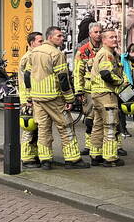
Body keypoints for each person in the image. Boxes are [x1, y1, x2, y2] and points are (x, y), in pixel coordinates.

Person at [20, 27, 90, 171]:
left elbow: (27, 76)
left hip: (37, 98)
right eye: (59, 36)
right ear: (50, 37)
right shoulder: (56, 54)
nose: (62, 38)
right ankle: (72, 159)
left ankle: (45, 161)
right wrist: (70, 99)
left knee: (43, 130)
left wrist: (29, 96)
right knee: (66, 127)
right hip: (54, 97)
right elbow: (63, 78)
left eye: (62, 36)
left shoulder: (34, 53)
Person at [89, 29, 125, 167]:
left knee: (98, 125)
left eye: (116, 37)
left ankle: (95, 154)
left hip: (97, 94)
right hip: (106, 95)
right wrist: (120, 82)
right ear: (104, 40)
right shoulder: (106, 54)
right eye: (111, 37)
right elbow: (106, 74)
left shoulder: (109, 53)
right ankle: (110, 158)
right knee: (110, 125)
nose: (115, 39)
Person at [74, 22, 102, 157]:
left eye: (100, 32)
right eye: (95, 32)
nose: (98, 34)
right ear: (90, 34)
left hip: (104, 90)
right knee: (90, 120)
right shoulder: (83, 51)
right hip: (89, 91)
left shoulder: (107, 49)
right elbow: (77, 72)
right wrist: (78, 91)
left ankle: (103, 146)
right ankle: (88, 146)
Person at [19, 31, 45, 168]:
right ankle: (27, 158)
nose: (43, 43)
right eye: (40, 41)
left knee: (36, 129)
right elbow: (27, 80)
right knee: (29, 129)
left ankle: (34, 155)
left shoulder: (35, 56)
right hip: (28, 99)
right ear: (31, 43)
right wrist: (28, 98)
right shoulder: (28, 58)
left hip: (34, 97)